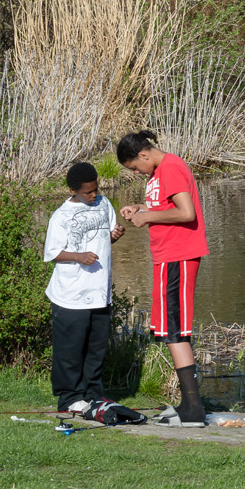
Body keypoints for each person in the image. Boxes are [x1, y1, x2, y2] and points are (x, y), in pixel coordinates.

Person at [117, 130, 208, 425]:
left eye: (133, 167)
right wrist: (141, 209)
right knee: (170, 328)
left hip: (179, 256)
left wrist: (148, 216)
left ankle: (193, 410)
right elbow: (165, 208)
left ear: (143, 155)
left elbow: (186, 213)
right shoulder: (157, 173)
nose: (135, 172)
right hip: (166, 258)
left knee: (175, 330)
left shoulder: (170, 167)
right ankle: (188, 405)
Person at [45, 160, 124, 418]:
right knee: (70, 351)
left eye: (96, 189)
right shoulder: (61, 216)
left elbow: (107, 232)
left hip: (99, 291)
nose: (94, 194)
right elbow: (53, 253)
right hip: (70, 295)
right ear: (73, 191)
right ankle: (70, 398)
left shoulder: (103, 204)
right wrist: (79, 257)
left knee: (95, 348)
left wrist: (115, 234)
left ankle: (93, 394)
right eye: (88, 192)